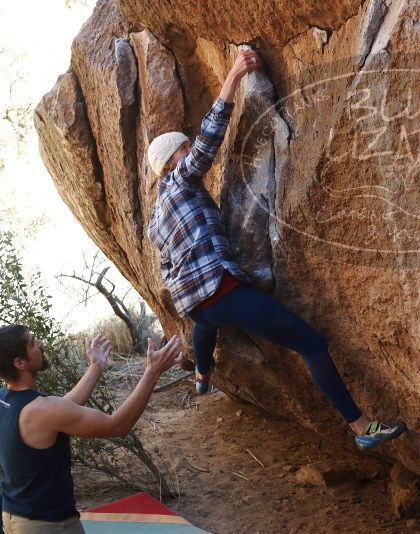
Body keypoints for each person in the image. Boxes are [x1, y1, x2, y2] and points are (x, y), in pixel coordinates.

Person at [146, 48, 405, 451]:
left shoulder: (157, 217)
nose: (188, 150)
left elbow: (167, 268)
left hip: (200, 305)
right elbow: (207, 145)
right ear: (171, 160)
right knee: (311, 343)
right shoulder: (179, 183)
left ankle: (201, 375)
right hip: (221, 292)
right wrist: (232, 77)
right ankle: (361, 429)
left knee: (206, 322)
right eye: (183, 148)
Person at [0, 324, 184, 533]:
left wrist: (96, 366)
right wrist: (153, 371)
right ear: (19, 362)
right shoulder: (41, 410)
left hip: (14, 515)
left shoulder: (5, 398)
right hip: (48, 525)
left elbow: (63, 409)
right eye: (33, 342)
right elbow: (118, 426)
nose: (41, 343)